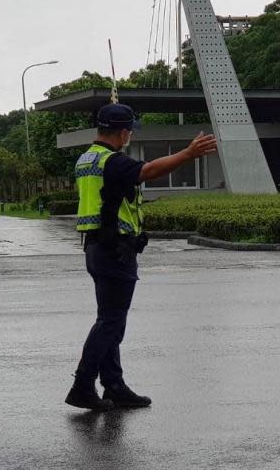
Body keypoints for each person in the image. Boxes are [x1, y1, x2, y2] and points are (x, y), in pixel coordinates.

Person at [65, 103, 218, 411]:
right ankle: (83, 385)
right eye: (130, 131)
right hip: (114, 250)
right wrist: (188, 154)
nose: (129, 136)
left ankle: (114, 385)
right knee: (110, 322)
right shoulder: (114, 162)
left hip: (96, 248)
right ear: (123, 132)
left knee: (109, 320)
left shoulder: (87, 159)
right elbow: (147, 171)